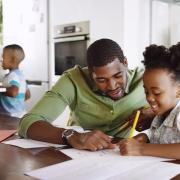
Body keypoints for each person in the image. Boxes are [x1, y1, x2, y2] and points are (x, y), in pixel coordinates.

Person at [18, 38, 154, 151]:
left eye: (118, 76)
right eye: (101, 80)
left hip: (120, 155)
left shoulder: (145, 79)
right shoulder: (73, 80)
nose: (112, 86)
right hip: (77, 154)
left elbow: (173, 111)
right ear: (90, 73)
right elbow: (27, 123)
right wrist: (71, 136)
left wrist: (154, 116)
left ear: (125, 63)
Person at [119, 42, 180, 159]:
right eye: (146, 91)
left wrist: (141, 149)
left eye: (157, 92)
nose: (149, 98)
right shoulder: (160, 115)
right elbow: (162, 137)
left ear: (178, 91)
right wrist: (145, 138)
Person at [0, 44, 31, 117]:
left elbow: (13, 92)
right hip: (19, 113)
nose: (1, 60)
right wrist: (17, 104)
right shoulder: (21, 76)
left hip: (9, 115)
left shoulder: (12, 76)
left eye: (3, 57)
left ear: (12, 60)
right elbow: (27, 95)